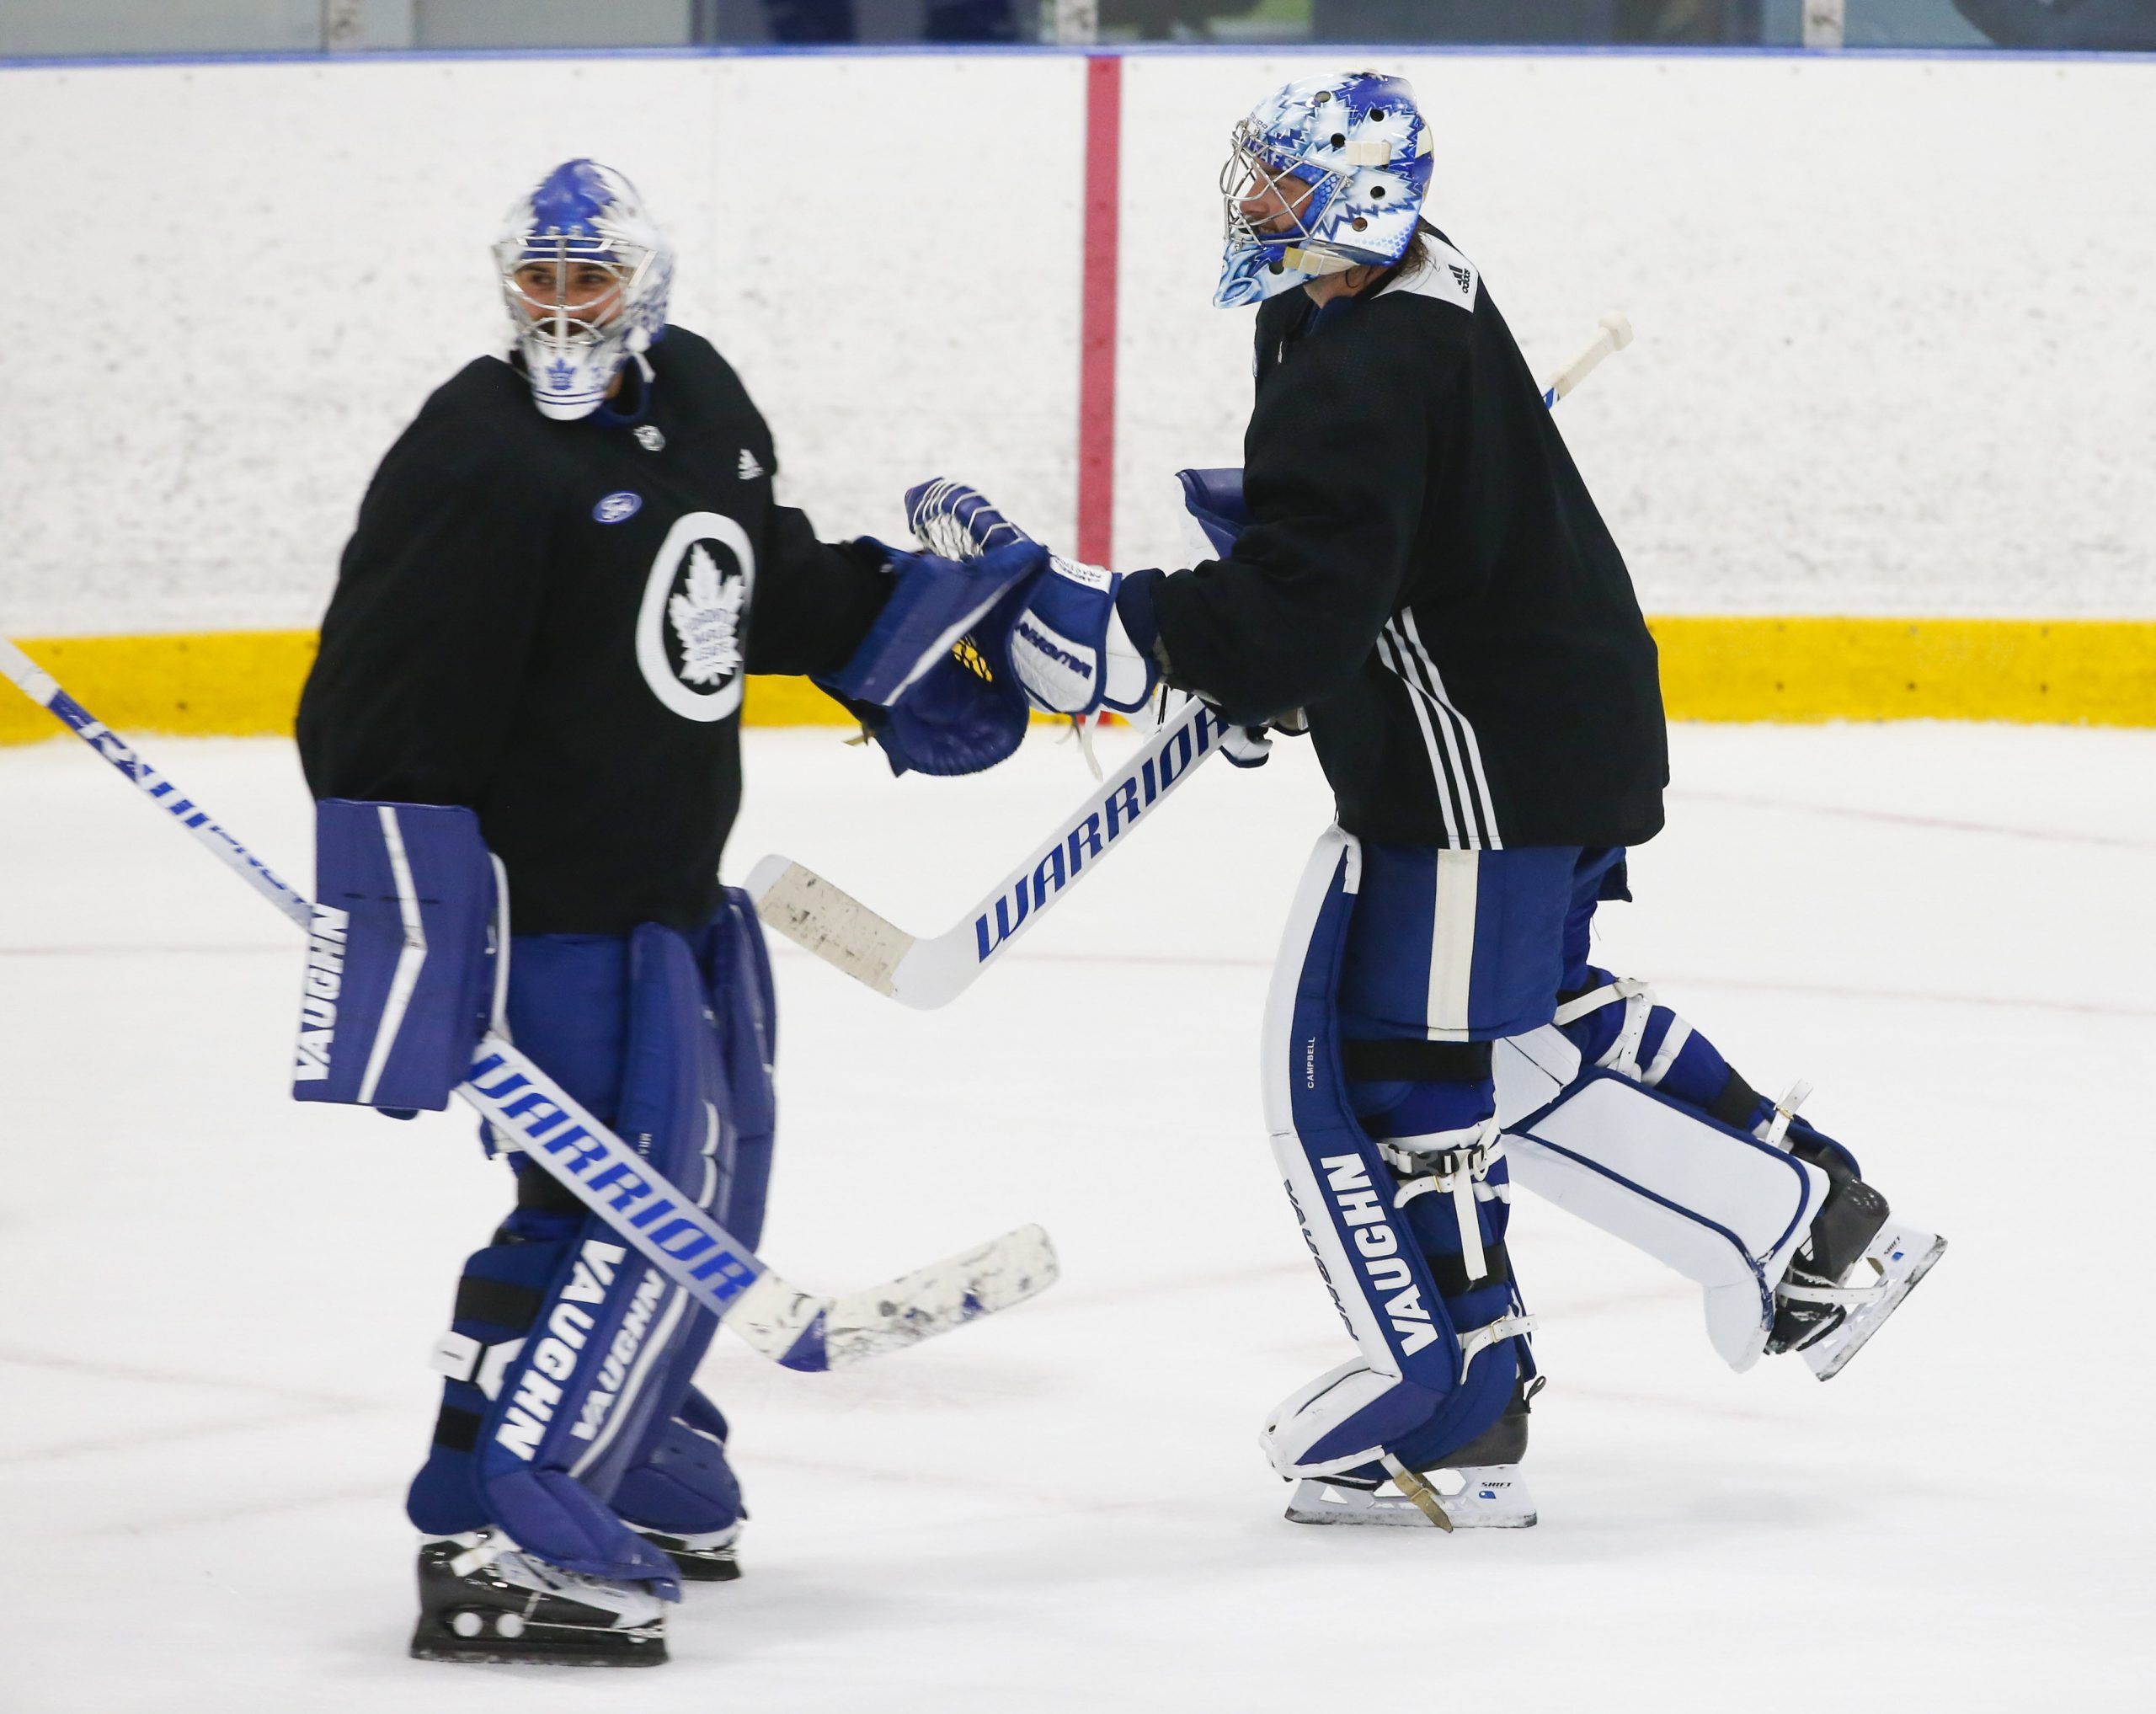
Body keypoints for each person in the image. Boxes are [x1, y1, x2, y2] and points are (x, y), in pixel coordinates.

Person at [857, 72, 1947, 1532]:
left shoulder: (1365, 363)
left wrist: (1161, 636)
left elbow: (1316, 582)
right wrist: (1266, 646)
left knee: (1409, 1067)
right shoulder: (1355, 308)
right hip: (1546, 723)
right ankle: (1809, 1222)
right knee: (1529, 1016)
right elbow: (1354, 555)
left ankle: (1477, 1397)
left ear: (1354, 199)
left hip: (1483, 768)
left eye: (1276, 186)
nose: (1249, 209)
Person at [295, 159, 1038, 1663]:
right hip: (558, 908)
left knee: (694, 1183)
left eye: (591, 282)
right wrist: (409, 926)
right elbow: (369, 713)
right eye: (540, 284)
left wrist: (883, 644)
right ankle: (514, 1520)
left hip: (675, 894)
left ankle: (628, 1439)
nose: (563, 311)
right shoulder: (473, 461)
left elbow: (738, 579)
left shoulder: (696, 398)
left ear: (648, 285)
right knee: (639, 1207)